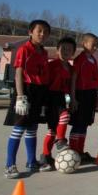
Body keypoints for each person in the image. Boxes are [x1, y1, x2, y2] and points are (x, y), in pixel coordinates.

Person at [4, 20, 51, 178]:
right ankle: (10, 165)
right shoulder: (24, 49)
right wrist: (20, 96)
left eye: (45, 32)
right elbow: (18, 73)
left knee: (32, 128)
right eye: (39, 31)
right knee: (19, 128)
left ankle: (31, 162)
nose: (42, 34)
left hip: (39, 92)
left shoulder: (44, 53)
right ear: (31, 32)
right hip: (26, 90)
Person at [39, 36, 76, 171]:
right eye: (63, 49)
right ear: (57, 50)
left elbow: (70, 86)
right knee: (57, 123)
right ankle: (57, 144)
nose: (66, 51)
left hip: (61, 97)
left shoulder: (71, 68)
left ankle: (47, 155)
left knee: (55, 127)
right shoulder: (51, 65)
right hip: (50, 97)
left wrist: (71, 100)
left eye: (69, 50)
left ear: (73, 53)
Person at [69, 33, 98, 163]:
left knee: (85, 125)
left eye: (96, 45)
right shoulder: (79, 60)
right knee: (78, 124)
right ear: (84, 44)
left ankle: (80, 152)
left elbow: (96, 80)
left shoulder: (93, 60)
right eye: (93, 44)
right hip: (80, 94)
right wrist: (73, 98)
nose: (95, 47)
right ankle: (73, 152)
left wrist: (97, 96)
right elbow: (74, 79)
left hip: (90, 95)